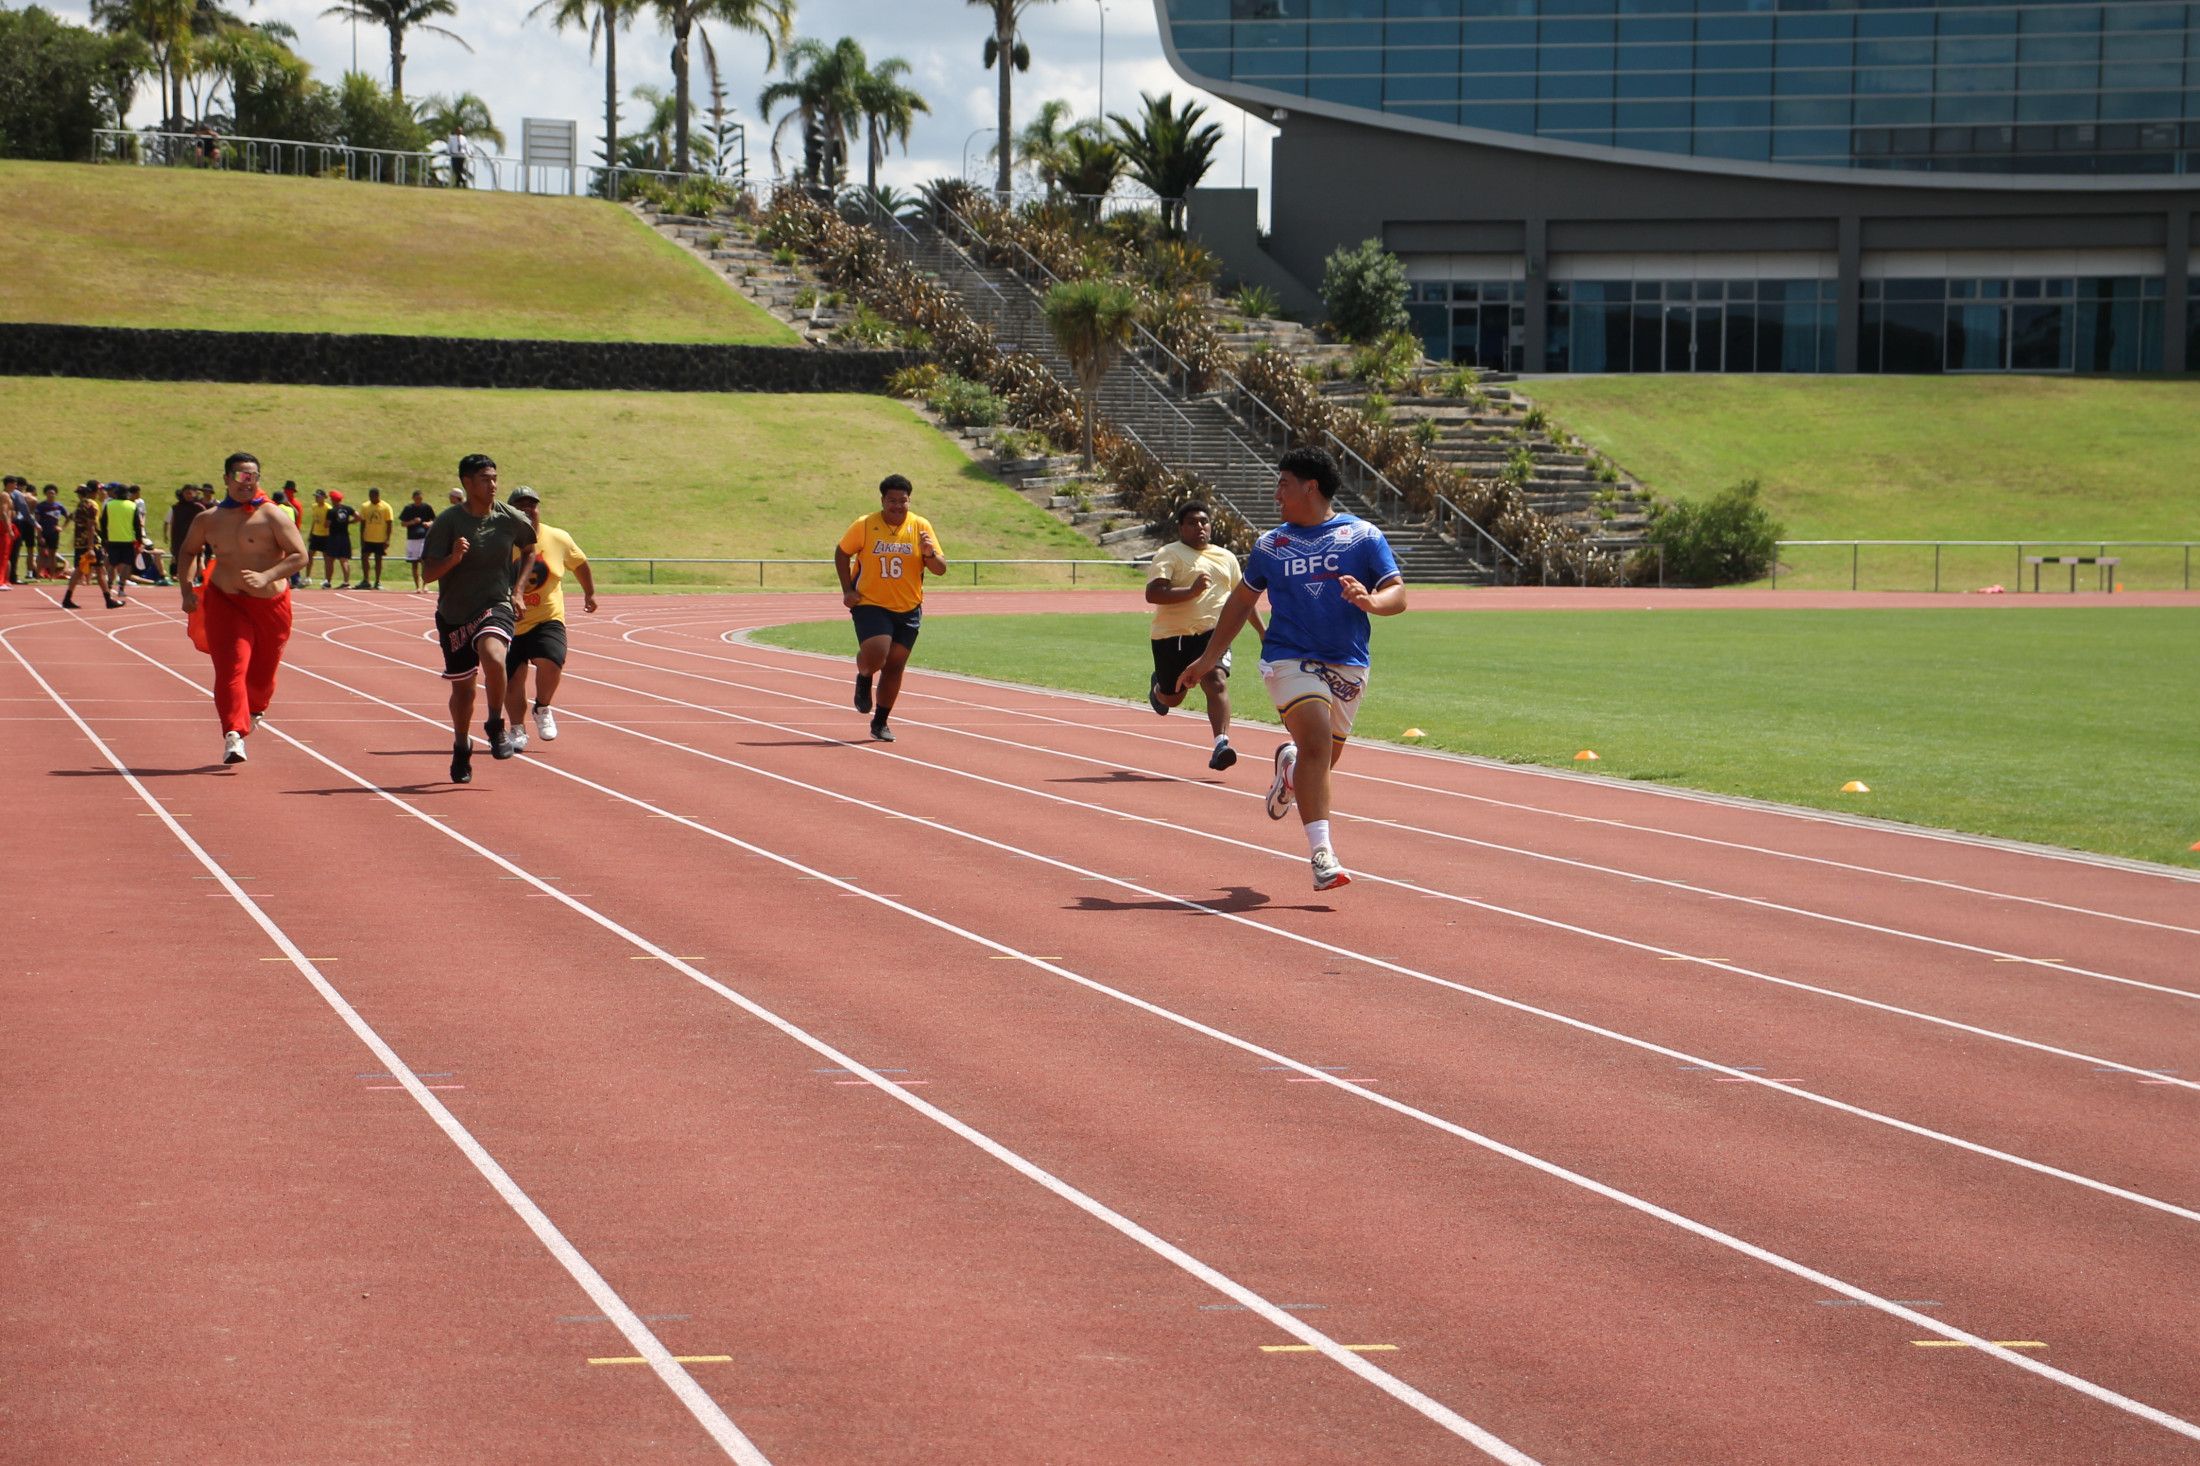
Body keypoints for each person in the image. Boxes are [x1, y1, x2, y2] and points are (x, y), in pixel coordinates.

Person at [1177, 446, 1407, 893]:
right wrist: (1207, 659)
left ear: (1310, 487)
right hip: (1287, 657)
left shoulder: (1363, 536)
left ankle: (1290, 770)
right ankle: (1323, 855)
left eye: (1283, 484)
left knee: (1319, 763)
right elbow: (1241, 602)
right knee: (1317, 742)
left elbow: (1397, 593)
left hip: (1348, 663)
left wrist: (1370, 601)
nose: (1276, 493)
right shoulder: (1270, 544)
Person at [178, 452, 307, 765]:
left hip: (270, 605)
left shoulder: (273, 516)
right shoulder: (208, 519)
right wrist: (186, 590)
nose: (247, 483)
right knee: (231, 668)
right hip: (225, 601)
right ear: (226, 479)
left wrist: (267, 575)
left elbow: (299, 555)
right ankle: (233, 734)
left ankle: (255, 709)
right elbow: (189, 552)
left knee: (262, 676)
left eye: (253, 477)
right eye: (240, 476)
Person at [422, 454, 538, 784]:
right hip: (456, 613)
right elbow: (428, 573)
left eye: (495, 478)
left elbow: (530, 548)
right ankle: (462, 745)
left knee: (494, 654)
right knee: (464, 693)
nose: (493, 485)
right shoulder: (448, 522)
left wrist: (518, 590)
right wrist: (454, 558)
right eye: (485, 479)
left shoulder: (509, 517)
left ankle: (495, 724)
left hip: (495, 603)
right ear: (467, 483)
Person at [1145, 501, 1265, 772]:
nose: (1199, 527)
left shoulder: (1226, 558)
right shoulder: (1169, 554)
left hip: (1213, 635)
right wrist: (1191, 591)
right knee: (1172, 698)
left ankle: (1221, 744)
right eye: (1192, 523)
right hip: (1172, 637)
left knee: (1216, 681)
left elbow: (1244, 601)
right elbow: (1153, 593)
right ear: (1181, 528)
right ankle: (1158, 690)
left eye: (1204, 522)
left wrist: (1262, 631)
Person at [834, 473, 946, 743]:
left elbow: (940, 569)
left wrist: (929, 553)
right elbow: (842, 552)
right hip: (870, 603)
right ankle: (864, 673)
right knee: (877, 653)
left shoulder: (920, 526)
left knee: (895, 667)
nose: (897, 506)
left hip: (908, 607)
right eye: (892, 500)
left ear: (909, 501)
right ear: (883, 500)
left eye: (903, 500)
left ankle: (880, 722)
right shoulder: (865, 525)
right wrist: (847, 590)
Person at [500, 485, 595, 751]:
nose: (527, 510)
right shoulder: (500, 541)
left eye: (532, 505)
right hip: (508, 622)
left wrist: (589, 593)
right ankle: (517, 729)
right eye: (520, 506)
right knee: (513, 679)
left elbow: (580, 563)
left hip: (547, 617)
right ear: (510, 513)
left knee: (552, 661)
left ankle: (542, 707)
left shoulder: (557, 538)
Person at [61, 483, 107, 610]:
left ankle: (67, 598)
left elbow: (73, 517)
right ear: (94, 492)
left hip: (80, 542)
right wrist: (91, 548)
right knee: (99, 569)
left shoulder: (81, 504)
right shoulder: (91, 505)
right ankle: (108, 599)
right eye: (99, 491)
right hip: (90, 543)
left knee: (79, 570)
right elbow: (91, 526)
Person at [100, 482, 145, 606]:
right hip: (127, 540)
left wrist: (104, 539)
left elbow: (103, 523)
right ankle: (121, 588)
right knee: (126, 564)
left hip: (112, 539)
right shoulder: (132, 506)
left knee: (112, 564)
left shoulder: (109, 505)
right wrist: (140, 541)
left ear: (116, 493)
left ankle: (109, 586)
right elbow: (137, 525)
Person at [356, 487, 395, 589]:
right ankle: (366, 580)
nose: (371, 498)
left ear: (378, 496)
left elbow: (389, 524)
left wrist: (387, 539)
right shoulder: (365, 506)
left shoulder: (386, 507)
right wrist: (362, 538)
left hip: (380, 538)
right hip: (368, 538)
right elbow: (362, 523)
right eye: (370, 496)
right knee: (364, 557)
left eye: (373, 496)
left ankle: (377, 581)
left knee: (378, 560)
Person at [399, 488, 436, 591]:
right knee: (414, 563)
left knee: (424, 562)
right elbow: (402, 523)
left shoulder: (427, 507)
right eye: (417, 499)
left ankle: (425, 585)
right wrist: (413, 522)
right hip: (412, 539)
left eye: (420, 498)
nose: (418, 500)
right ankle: (417, 586)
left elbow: (434, 520)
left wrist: (429, 523)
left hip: (424, 538)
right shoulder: (408, 508)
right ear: (413, 498)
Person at [325, 489, 356, 589]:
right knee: (344, 560)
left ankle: (328, 581)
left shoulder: (331, 511)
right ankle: (346, 582)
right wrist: (350, 522)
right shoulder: (347, 509)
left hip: (334, 537)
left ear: (333, 500)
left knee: (330, 559)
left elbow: (327, 524)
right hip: (345, 536)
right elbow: (358, 516)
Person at [34, 486, 67, 579]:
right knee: (41, 554)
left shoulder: (59, 506)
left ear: (55, 494)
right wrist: (39, 535)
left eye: (52, 493)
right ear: (45, 494)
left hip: (54, 533)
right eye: (49, 493)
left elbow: (68, 517)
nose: (51, 495)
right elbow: (36, 521)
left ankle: (52, 576)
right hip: (43, 532)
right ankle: (38, 576)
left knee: (52, 555)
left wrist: (62, 527)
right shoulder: (41, 506)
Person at [306, 488, 332, 586]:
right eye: (316, 496)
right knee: (309, 555)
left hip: (325, 536)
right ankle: (308, 577)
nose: (316, 498)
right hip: (315, 535)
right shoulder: (314, 506)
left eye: (318, 497)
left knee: (326, 558)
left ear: (324, 497)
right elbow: (314, 521)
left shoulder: (328, 508)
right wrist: (311, 533)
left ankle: (326, 578)